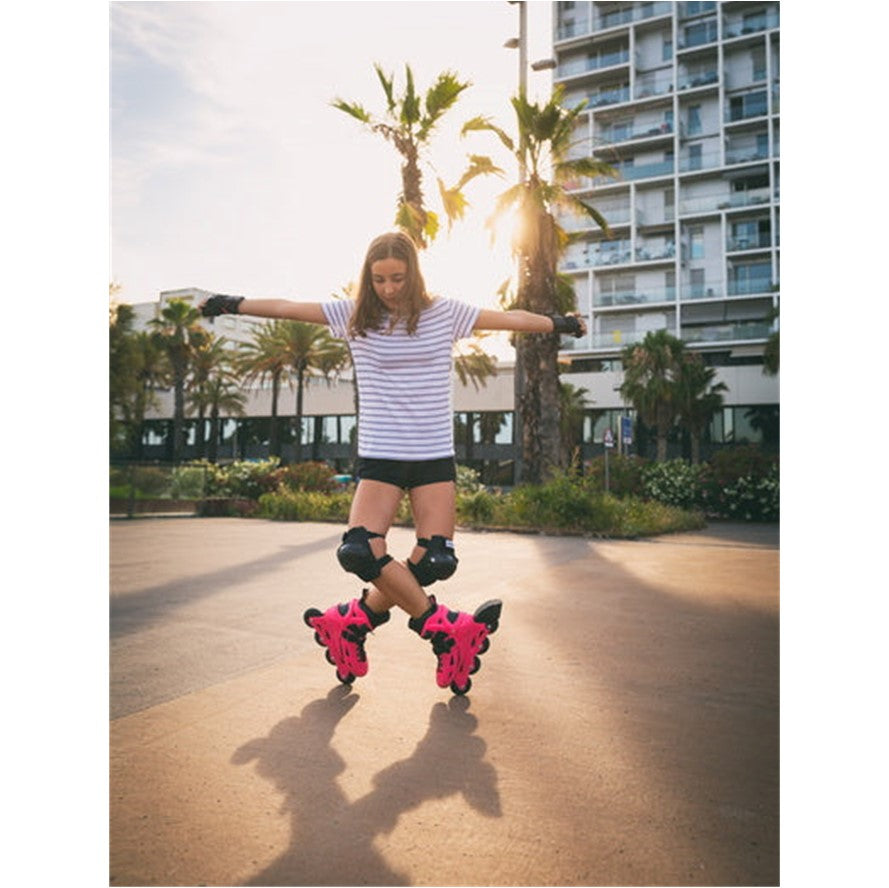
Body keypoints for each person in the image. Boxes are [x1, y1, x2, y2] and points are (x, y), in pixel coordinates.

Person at [200, 231, 586, 695]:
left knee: (434, 560)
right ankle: (444, 630)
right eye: (379, 279)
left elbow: (509, 318)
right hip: (381, 455)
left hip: (433, 456)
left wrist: (560, 323)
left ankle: (349, 623)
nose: (388, 288)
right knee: (360, 550)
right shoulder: (352, 316)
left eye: (397, 278)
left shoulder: (444, 313)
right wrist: (229, 303)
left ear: (414, 274)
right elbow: (286, 307)